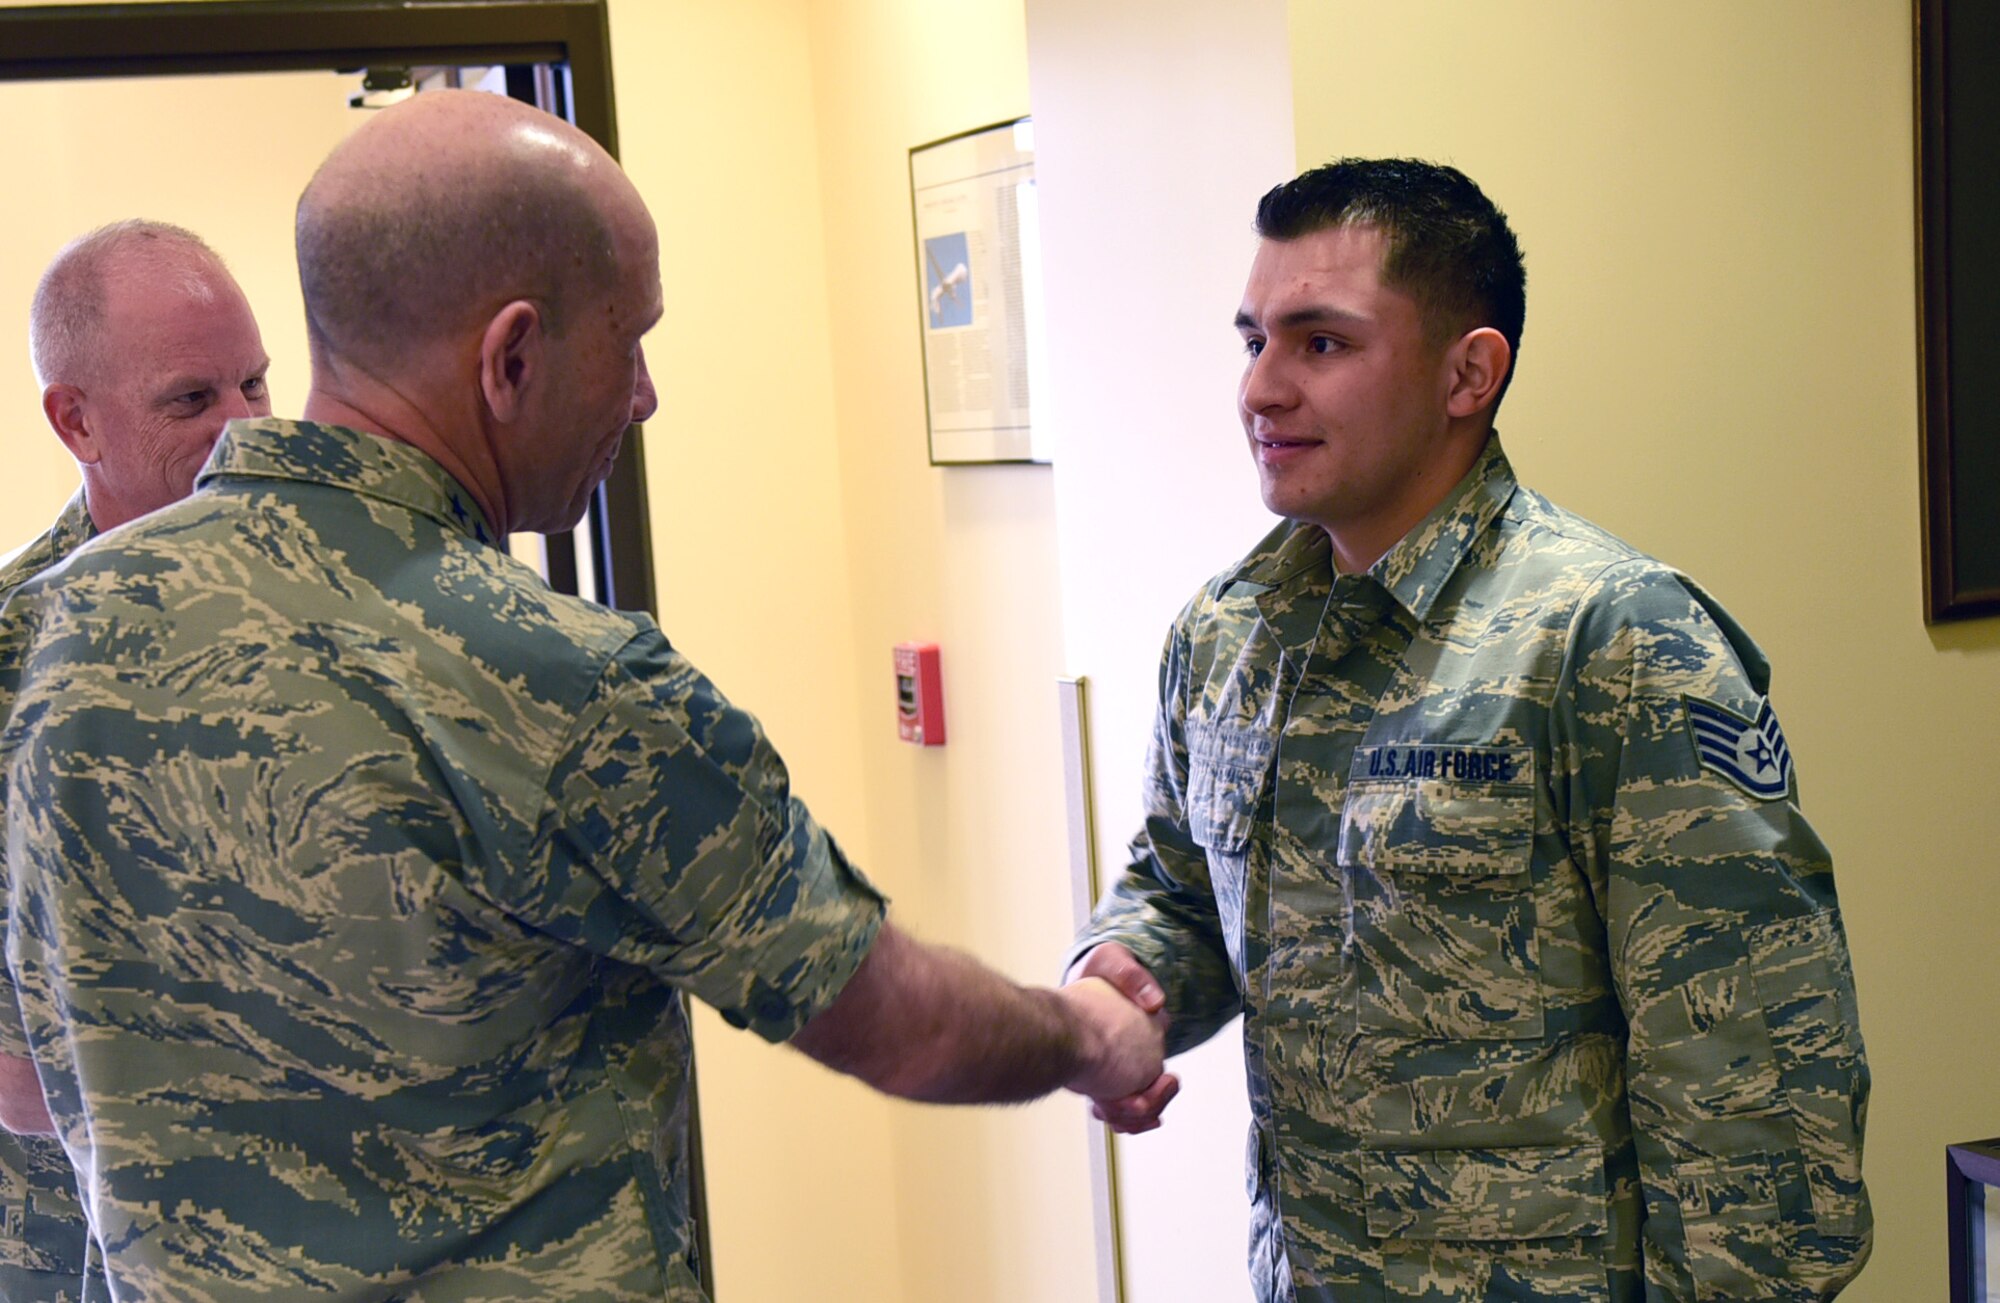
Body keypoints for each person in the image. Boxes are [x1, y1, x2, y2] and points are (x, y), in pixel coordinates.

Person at [0, 91, 1167, 1302]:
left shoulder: (58, 631)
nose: (644, 392)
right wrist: (1094, 1034)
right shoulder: (562, 683)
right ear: (509, 359)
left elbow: (43, 1067)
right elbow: (892, 1018)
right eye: (629, 339)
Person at [1067, 158, 1870, 1301]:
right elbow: (1178, 890)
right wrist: (1121, 978)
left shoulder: (1610, 637)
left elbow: (1752, 1083)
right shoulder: (1228, 635)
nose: (1259, 389)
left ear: (1467, 373)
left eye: (1320, 343)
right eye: (1252, 340)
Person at [0, 219, 272, 1303]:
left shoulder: (325, 614)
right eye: (193, 400)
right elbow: (18, 1074)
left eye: (257, 383)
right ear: (76, 420)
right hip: (86, 1257)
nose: (247, 427)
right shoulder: (19, 654)